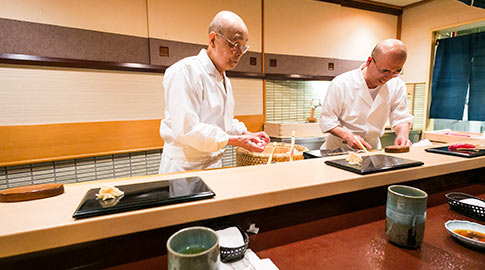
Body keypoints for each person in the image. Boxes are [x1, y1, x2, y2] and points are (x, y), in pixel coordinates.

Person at [159, 11, 270, 174]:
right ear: (213, 39)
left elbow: (223, 121)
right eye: (236, 43)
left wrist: (246, 133)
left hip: (212, 165)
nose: (239, 52)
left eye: (243, 46)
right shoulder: (185, 71)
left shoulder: (223, 77)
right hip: (184, 167)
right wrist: (237, 140)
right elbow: (186, 130)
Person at [319, 39, 413, 151]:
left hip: (372, 150)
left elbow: (400, 116)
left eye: (396, 72)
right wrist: (348, 136)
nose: (388, 77)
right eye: (384, 71)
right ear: (369, 61)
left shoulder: (397, 85)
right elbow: (327, 119)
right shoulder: (342, 83)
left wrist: (403, 135)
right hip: (337, 150)